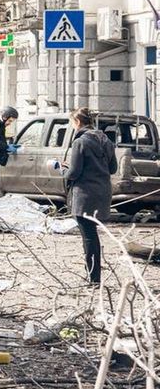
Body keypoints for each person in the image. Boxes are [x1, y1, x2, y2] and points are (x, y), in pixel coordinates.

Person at [62, 107, 117, 286]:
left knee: (89, 238)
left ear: (77, 122)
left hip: (85, 195)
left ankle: (94, 279)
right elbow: (113, 169)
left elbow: (74, 173)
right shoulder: (105, 140)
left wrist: (62, 170)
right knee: (92, 234)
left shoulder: (80, 142)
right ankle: (94, 277)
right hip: (103, 193)